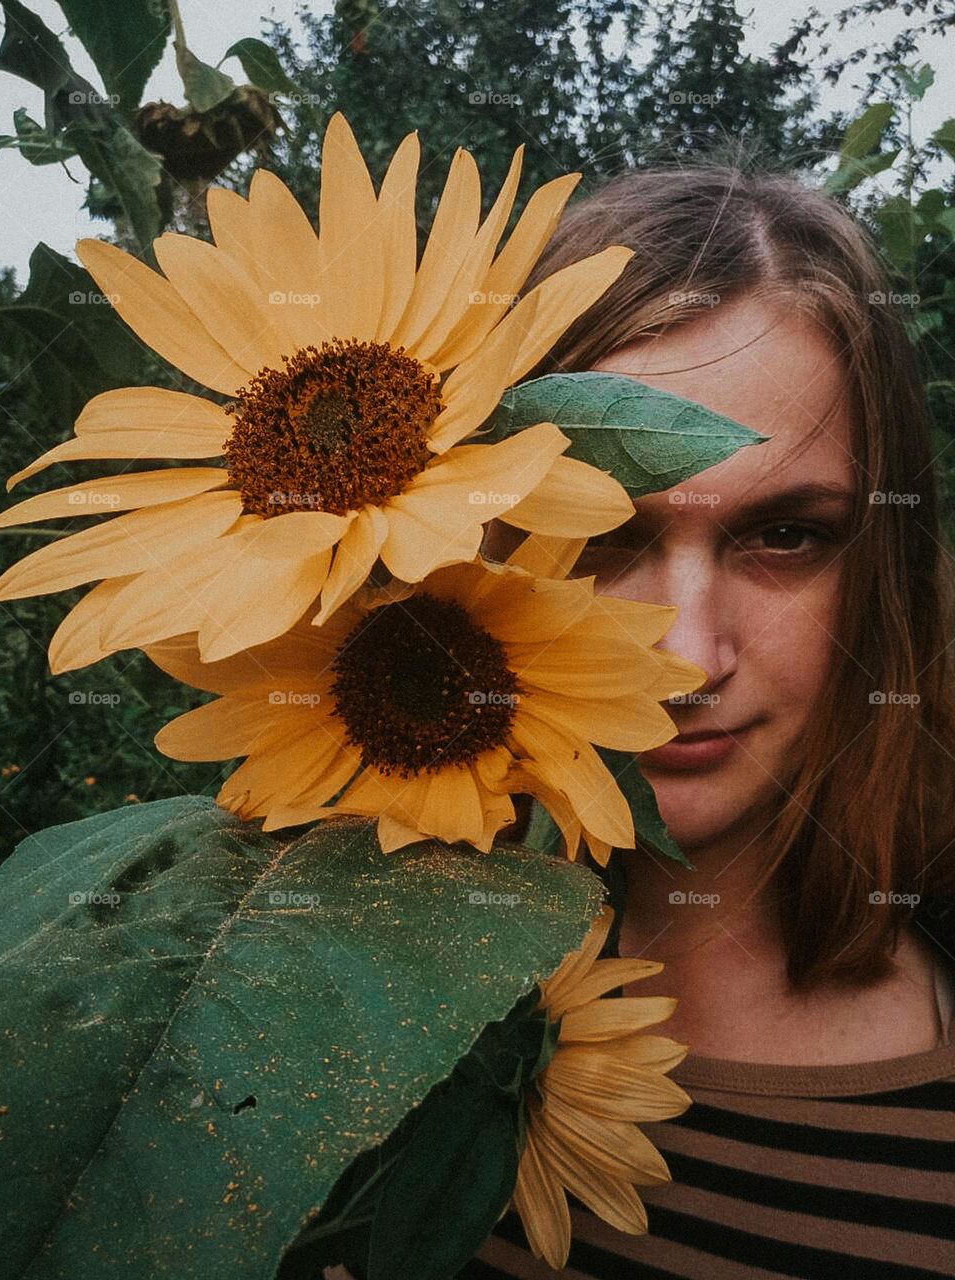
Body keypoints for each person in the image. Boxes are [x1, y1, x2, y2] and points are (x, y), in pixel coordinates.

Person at [463, 156, 955, 1277]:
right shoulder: (342, 983)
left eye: (787, 535)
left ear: (876, 569)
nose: (687, 654)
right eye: (600, 535)